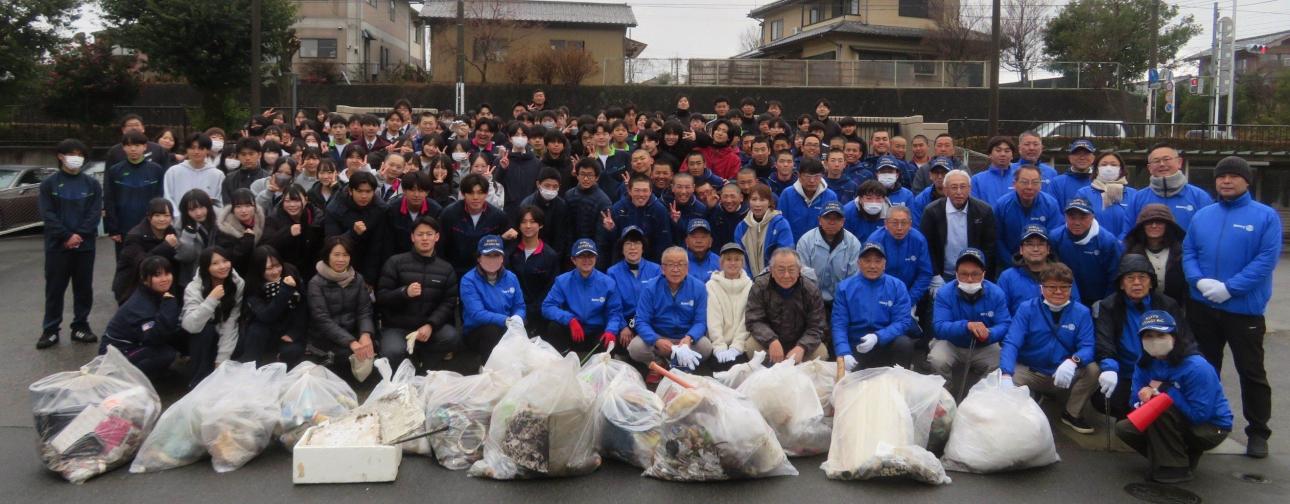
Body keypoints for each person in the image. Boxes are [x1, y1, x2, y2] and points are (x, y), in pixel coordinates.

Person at [1182, 156, 1280, 458]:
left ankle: (1258, 432)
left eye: (1234, 176)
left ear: (1246, 181)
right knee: (1205, 369)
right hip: (1203, 307)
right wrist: (1198, 281)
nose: (1226, 181)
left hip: (1243, 310)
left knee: (1251, 372)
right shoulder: (1203, 215)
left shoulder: (1265, 216)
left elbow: (1266, 260)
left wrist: (1230, 288)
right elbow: (1189, 251)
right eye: (1221, 176)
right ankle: (1206, 423)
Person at [1115, 310, 1232, 484]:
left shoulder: (1197, 367)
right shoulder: (1144, 362)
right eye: (1148, 336)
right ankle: (1178, 458)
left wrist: (1165, 391)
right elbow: (1134, 401)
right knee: (1125, 428)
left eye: (1161, 335)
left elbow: (1200, 415)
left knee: (1160, 408)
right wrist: (1142, 400)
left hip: (1211, 427)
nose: (1154, 341)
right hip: (1176, 420)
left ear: (1174, 336)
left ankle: (1175, 468)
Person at [1000, 262, 1100, 434]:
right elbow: (1012, 342)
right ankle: (1028, 401)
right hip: (1030, 371)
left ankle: (1072, 413)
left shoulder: (1082, 312)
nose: (1059, 291)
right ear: (1041, 288)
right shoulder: (1027, 309)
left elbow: (1088, 346)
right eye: (1052, 287)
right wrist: (1006, 374)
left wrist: (1073, 361)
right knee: (1000, 376)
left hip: (1062, 373)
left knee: (1093, 370)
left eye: (1064, 287)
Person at [1093, 254, 1190, 419]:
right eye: (1130, 278)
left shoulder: (1167, 304)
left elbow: (1184, 340)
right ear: (1121, 284)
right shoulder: (1109, 306)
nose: (1137, 283)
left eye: (1142, 277)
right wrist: (1110, 368)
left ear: (1151, 282)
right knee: (1103, 399)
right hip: (1126, 374)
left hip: (1162, 373)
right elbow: (1104, 342)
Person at [38, 139, 102, 349]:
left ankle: (80, 326)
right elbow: (48, 214)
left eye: (80, 154)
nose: (76, 158)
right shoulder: (49, 184)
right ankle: (50, 329)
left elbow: (94, 213)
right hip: (57, 246)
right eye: (72, 154)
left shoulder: (92, 184)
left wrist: (79, 235)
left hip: (85, 246)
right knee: (55, 289)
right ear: (60, 156)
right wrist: (66, 236)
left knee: (83, 288)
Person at [376, 215, 461, 369]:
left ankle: (423, 362)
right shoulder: (395, 262)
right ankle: (409, 361)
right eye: (420, 234)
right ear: (412, 237)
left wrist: (430, 325)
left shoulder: (446, 268)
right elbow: (381, 297)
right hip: (397, 327)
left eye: (429, 234)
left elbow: (448, 303)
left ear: (437, 237)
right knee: (392, 351)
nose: (425, 238)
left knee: (451, 336)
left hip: (428, 327)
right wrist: (404, 292)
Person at [929, 248, 1011, 398]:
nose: (970, 279)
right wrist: (966, 326)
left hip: (984, 345)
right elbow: (939, 326)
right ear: (956, 274)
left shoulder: (996, 293)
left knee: (1002, 362)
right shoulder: (944, 292)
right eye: (964, 274)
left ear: (984, 274)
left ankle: (981, 396)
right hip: (951, 343)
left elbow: (1005, 324)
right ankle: (945, 395)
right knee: (936, 359)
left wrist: (990, 333)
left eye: (975, 274)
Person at [832, 242, 915, 370]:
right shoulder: (844, 288)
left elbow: (903, 322)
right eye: (867, 261)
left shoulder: (897, 286)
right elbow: (839, 324)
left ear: (884, 264)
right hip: (857, 346)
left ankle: (900, 379)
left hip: (885, 344)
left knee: (904, 344)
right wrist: (844, 352)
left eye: (877, 261)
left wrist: (878, 337)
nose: (872, 266)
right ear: (859, 263)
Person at [630, 247, 711, 375]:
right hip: (659, 338)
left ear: (687, 267)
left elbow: (700, 321)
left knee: (705, 347)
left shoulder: (699, 287)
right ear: (663, 268)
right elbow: (641, 321)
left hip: (685, 339)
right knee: (635, 348)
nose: (675, 269)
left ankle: (677, 365)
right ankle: (659, 364)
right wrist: (656, 340)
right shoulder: (650, 288)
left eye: (680, 264)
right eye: (671, 264)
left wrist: (689, 338)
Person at [100, 256, 182, 380]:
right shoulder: (140, 305)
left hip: (137, 342)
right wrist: (169, 305)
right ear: (144, 279)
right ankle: (127, 377)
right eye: (157, 275)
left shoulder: (156, 293)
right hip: (117, 352)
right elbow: (155, 337)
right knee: (166, 354)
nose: (164, 279)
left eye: (167, 273)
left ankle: (155, 371)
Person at [746, 248, 829, 363]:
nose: (786, 275)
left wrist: (802, 347)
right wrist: (771, 340)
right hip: (770, 342)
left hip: (800, 342)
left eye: (791, 270)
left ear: (799, 270)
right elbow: (754, 320)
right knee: (751, 346)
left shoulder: (810, 290)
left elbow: (817, 326)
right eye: (781, 270)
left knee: (821, 353)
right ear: (771, 271)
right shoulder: (760, 287)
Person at [542, 239, 624, 354]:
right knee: (554, 327)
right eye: (581, 256)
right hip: (573, 331)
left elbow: (615, 312)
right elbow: (547, 307)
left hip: (596, 332)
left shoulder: (608, 283)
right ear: (573, 260)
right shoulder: (562, 281)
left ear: (596, 258)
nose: (586, 260)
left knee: (610, 339)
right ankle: (562, 358)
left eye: (590, 256)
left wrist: (611, 330)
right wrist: (570, 319)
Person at [308, 236, 376, 374]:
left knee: (373, 348)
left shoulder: (357, 278)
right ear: (327, 256)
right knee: (346, 357)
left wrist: (365, 334)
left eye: (345, 255)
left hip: (352, 331)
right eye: (336, 254)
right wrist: (351, 342)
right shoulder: (316, 283)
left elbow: (364, 310)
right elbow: (322, 319)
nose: (341, 259)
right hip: (325, 336)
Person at [922, 169, 997, 289]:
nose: (959, 192)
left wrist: (981, 274)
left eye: (963, 187)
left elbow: (989, 247)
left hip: (973, 274)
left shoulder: (984, 211)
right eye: (954, 187)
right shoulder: (932, 211)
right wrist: (935, 275)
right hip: (942, 275)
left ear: (969, 189)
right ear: (945, 190)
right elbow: (927, 246)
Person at [181, 246, 244, 387]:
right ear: (206, 267)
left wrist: (221, 360)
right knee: (206, 331)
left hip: (224, 332)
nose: (222, 266)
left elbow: (231, 320)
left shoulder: (237, 283)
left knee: (242, 337)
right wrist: (211, 300)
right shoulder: (194, 288)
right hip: (197, 333)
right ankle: (197, 381)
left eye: (225, 261)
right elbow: (190, 325)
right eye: (215, 263)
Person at [867, 205, 934, 333]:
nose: (899, 227)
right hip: (881, 295)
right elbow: (869, 273)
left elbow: (925, 274)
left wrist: (909, 299)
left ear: (910, 224)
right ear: (886, 224)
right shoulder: (875, 240)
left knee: (912, 331)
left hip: (910, 295)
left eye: (904, 223)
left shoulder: (918, 240)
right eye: (894, 223)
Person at [461, 235, 525, 361]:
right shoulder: (468, 280)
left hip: (507, 325)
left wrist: (518, 317)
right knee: (492, 331)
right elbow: (477, 313)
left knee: (522, 326)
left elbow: (519, 306)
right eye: (487, 255)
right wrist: (506, 320)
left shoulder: (511, 277)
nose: (492, 259)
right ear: (479, 258)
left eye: (496, 255)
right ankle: (489, 367)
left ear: (502, 258)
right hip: (478, 331)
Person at [240, 245, 308, 367]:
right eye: (269, 268)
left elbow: (303, 304)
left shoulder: (290, 271)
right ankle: (249, 370)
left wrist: (295, 332)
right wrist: (285, 290)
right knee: (256, 332)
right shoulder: (252, 285)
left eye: (277, 265)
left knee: (292, 352)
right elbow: (267, 315)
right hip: (264, 327)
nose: (276, 271)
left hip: (288, 325)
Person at [1124, 144, 1213, 233]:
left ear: (1179, 162)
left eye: (1166, 159)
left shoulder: (1199, 197)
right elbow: (1127, 233)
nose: (1162, 164)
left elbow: (1208, 232)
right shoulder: (1138, 198)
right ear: (1149, 168)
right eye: (1156, 161)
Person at [104, 131, 166, 256]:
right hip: (124, 229)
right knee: (126, 263)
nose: (133, 149)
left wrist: (160, 225)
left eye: (137, 145)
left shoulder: (156, 170)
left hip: (150, 227)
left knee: (150, 263)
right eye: (129, 145)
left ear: (145, 147)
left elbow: (160, 199)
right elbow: (109, 200)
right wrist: (113, 229)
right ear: (123, 147)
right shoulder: (115, 170)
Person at [1051, 197, 1123, 306]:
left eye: (1083, 217)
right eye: (1072, 217)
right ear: (1065, 217)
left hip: (1099, 299)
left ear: (1092, 216)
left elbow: (1115, 277)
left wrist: (1106, 305)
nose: (1077, 222)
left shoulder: (1107, 242)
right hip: (1065, 298)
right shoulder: (1055, 238)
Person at [997, 224, 1082, 314]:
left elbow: (1076, 308)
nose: (1035, 249)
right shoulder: (1007, 277)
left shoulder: (1063, 273)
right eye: (1030, 244)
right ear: (1021, 249)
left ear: (1048, 249)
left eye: (1041, 244)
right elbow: (1001, 312)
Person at [993, 164, 1062, 269]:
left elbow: (1053, 237)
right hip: (1009, 264)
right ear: (1014, 184)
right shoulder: (1002, 205)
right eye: (1024, 182)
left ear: (1041, 185)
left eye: (1035, 182)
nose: (1029, 187)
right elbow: (998, 238)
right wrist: (1012, 263)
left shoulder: (1050, 204)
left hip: (1043, 264)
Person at [113, 198, 178, 304]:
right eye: (157, 215)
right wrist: (165, 246)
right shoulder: (135, 236)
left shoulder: (170, 231)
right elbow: (142, 263)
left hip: (158, 286)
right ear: (149, 216)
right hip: (131, 287)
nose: (162, 219)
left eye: (167, 215)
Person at [606, 227, 662, 349]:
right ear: (622, 248)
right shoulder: (612, 272)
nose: (632, 247)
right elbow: (614, 305)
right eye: (628, 243)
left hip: (651, 321)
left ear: (643, 247)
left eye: (637, 243)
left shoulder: (656, 270)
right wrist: (623, 326)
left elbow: (660, 301)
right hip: (627, 323)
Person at [1123, 203, 1189, 307]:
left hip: (1175, 308)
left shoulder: (1181, 253)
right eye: (1149, 222)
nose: (1154, 225)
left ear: (1168, 226)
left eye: (1159, 222)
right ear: (1142, 226)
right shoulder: (1130, 253)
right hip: (1140, 308)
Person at [508, 206, 561, 333]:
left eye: (532, 222)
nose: (528, 226)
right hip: (513, 312)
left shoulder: (550, 255)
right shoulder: (511, 251)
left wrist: (534, 309)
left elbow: (551, 288)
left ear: (540, 225)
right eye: (523, 222)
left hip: (539, 313)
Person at [796, 200, 860, 304]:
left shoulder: (853, 243)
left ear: (843, 221)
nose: (831, 222)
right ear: (819, 220)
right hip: (810, 298)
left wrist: (842, 301)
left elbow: (854, 278)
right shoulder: (805, 241)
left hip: (842, 300)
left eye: (837, 218)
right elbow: (802, 275)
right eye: (827, 218)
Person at [705, 243, 754, 370]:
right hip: (718, 345)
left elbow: (747, 320)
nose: (733, 263)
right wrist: (719, 347)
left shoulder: (751, 286)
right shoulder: (711, 286)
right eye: (728, 259)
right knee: (719, 368)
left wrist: (736, 347)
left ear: (742, 263)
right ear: (721, 263)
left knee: (739, 370)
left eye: (737, 259)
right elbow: (713, 319)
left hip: (741, 345)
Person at [602, 175, 672, 262]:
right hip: (622, 260)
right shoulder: (617, 209)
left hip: (650, 261)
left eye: (645, 190)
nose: (641, 195)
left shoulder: (659, 210)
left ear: (650, 191)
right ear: (629, 191)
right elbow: (610, 243)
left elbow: (664, 241)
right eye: (637, 190)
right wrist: (611, 230)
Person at [734, 183, 795, 275]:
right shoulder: (741, 228)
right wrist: (749, 280)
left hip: (775, 278)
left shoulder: (780, 224)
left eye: (762, 200)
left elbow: (786, 254)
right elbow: (740, 259)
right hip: (749, 280)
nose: (757, 204)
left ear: (769, 202)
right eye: (754, 199)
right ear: (748, 201)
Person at [1075, 151, 1135, 238]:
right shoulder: (1084, 193)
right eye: (1104, 164)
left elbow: (1136, 223)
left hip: (1127, 243)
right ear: (1096, 169)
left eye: (1113, 165)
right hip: (1095, 244)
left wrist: (1122, 242)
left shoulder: (1133, 194)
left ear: (1121, 169)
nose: (1108, 168)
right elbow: (1079, 222)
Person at [384, 172, 443, 257]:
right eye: (412, 190)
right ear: (404, 191)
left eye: (421, 190)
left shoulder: (436, 211)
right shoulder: (392, 209)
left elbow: (438, 243)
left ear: (427, 192)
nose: (416, 195)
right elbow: (388, 243)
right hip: (399, 258)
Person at [163, 133, 226, 214]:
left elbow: (219, 202)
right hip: (179, 219)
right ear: (186, 149)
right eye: (192, 148)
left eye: (201, 148)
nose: (196, 152)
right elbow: (168, 197)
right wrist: (178, 217)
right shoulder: (173, 172)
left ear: (208, 150)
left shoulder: (217, 175)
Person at [778, 158, 837, 241]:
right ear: (799, 176)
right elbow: (781, 224)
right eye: (807, 176)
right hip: (792, 245)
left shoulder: (830, 196)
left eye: (816, 176)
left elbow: (833, 225)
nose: (812, 181)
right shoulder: (787, 194)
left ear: (822, 176)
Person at [516, 167, 569, 256]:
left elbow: (561, 234)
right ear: (538, 184)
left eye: (555, 186)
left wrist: (557, 255)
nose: (551, 189)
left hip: (554, 252)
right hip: (532, 250)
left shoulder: (561, 205)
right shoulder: (527, 205)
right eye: (547, 185)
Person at [213, 189, 264, 278]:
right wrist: (247, 240)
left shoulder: (262, 221)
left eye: (248, 206)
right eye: (238, 206)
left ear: (255, 207)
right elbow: (230, 259)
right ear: (233, 209)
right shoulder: (225, 229)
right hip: (238, 276)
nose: (243, 210)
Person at [565, 158, 614, 244]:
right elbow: (566, 226)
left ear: (597, 177)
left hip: (592, 247)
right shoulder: (569, 195)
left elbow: (601, 235)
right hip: (571, 245)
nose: (586, 179)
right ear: (577, 175)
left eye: (590, 175)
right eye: (582, 174)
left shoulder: (603, 201)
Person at [1047, 139, 1096, 207]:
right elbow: (1052, 209)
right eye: (1077, 154)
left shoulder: (1100, 182)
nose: (1082, 157)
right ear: (1070, 158)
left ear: (1093, 158)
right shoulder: (1056, 183)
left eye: (1086, 154)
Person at [971, 136, 1018, 205]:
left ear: (1012, 156)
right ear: (990, 154)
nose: (1003, 154)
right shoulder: (977, 180)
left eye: (1007, 151)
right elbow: (974, 207)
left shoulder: (1020, 178)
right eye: (998, 150)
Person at [907, 156, 953, 228]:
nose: (940, 176)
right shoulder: (921, 199)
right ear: (930, 175)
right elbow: (916, 226)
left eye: (944, 172)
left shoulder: (958, 195)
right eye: (936, 172)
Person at [221, 138, 267, 203]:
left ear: (259, 155)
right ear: (238, 156)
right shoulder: (229, 179)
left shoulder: (267, 178)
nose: (247, 158)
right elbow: (227, 204)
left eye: (251, 154)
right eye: (243, 154)